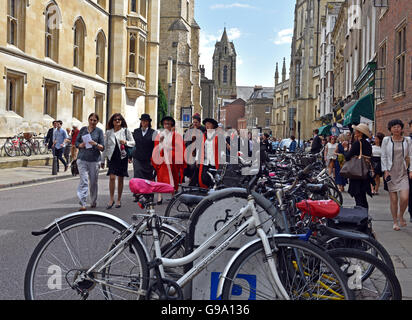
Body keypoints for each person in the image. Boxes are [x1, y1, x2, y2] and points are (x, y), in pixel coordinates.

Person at [381, 120, 412, 231]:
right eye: (394, 127)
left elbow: (411, 155)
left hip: (403, 172)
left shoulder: (407, 140)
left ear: (402, 128)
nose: (396, 129)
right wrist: (385, 170)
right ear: (390, 129)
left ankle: (401, 215)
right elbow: (383, 156)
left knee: (405, 197)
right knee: (393, 200)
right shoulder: (386, 140)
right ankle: (395, 221)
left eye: (398, 127)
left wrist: (411, 170)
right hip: (390, 172)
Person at [102, 113, 135, 209]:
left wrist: (126, 142)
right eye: (115, 119)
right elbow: (105, 146)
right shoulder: (109, 132)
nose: (117, 121)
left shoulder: (125, 131)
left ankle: (119, 199)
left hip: (122, 157)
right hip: (112, 157)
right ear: (112, 121)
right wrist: (102, 160)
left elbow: (133, 143)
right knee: (112, 177)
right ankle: (111, 199)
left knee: (120, 179)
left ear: (122, 121)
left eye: (119, 119)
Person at [75, 113, 105, 211]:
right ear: (88, 120)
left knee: (93, 182)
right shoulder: (83, 130)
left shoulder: (99, 132)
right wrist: (80, 145)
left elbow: (102, 147)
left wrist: (95, 144)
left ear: (97, 122)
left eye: (94, 120)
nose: (92, 122)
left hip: (94, 160)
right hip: (82, 158)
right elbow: (76, 142)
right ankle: (83, 203)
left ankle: (93, 201)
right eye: (91, 120)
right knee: (83, 181)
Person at [152, 116, 185, 196]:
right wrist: (161, 142)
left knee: (173, 178)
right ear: (163, 125)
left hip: (173, 161)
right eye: (165, 124)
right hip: (162, 161)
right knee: (160, 178)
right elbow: (156, 149)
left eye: (169, 124)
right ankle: (160, 196)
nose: (167, 126)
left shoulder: (177, 136)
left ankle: (173, 194)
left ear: (172, 125)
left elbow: (180, 148)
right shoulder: (159, 136)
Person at [345, 123, 374, 210]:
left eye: (356, 131)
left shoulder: (357, 144)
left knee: (359, 198)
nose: (354, 132)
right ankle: (364, 215)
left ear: (360, 133)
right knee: (363, 197)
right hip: (365, 173)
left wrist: (346, 149)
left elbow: (347, 157)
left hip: (357, 173)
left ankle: (361, 217)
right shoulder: (368, 144)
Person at [189, 118, 220, 188]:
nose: (207, 125)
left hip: (214, 162)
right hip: (205, 162)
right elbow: (199, 148)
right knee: (204, 178)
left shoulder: (218, 136)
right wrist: (197, 159)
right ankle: (205, 192)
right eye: (206, 124)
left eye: (209, 124)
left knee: (214, 179)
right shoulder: (203, 136)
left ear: (213, 125)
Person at [132, 114, 156, 182]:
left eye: (145, 121)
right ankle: (138, 191)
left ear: (148, 122)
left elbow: (155, 147)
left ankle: (148, 192)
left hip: (148, 159)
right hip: (137, 157)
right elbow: (133, 143)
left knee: (148, 176)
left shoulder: (153, 132)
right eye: (142, 121)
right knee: (137, 174)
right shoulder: (136, 131)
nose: (144, 123)